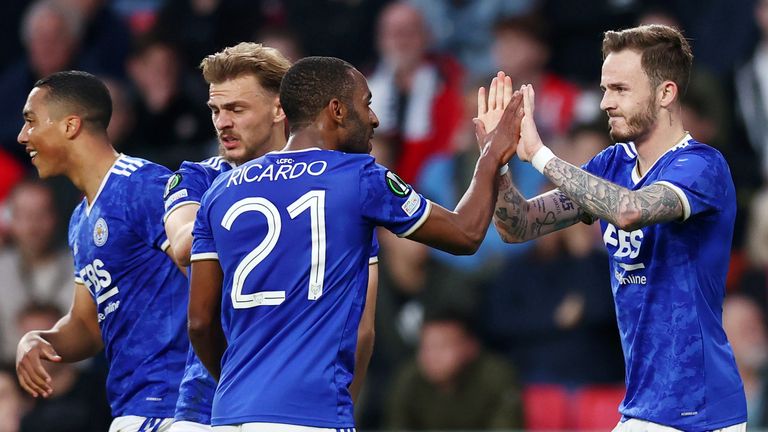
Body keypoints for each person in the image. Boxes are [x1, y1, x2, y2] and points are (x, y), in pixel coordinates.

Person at [187, 58, 522, 430]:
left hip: (230, 412)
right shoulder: (358, 177)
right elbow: (466, 233)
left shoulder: (220, 192)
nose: (375, 118)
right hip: (310, 413)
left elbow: (200, 322)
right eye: (366, 103)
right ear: (337, 110)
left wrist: (238, 384)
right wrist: (491, 154)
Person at [489, 24, 746, 431]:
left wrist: (539, 154)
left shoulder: (702, 166)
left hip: (699, 411)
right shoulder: (613, 164)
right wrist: (497, 160)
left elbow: (628, 210)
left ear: (666, 93)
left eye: (621, 89)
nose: (606, 102)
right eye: (605, 88)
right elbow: (518, 226)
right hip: (644, 408)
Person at [162, 42, 379, 431]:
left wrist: (340, 404)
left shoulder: (337, 188)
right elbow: (182, 249)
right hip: (203, 405)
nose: (222, 123)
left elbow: (363, 325)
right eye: (215, 110)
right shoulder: (198, 178)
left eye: (236, 109)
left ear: (281, 108)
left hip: (298, 404)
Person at [15, 71, 189, 431]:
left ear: (70, 125)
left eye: (31, 121)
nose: (22, 136)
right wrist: (40, 339)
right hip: (131, 403)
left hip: (177, 405)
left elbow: (207, 274)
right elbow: (86, 325)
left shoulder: (142, 185)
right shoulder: (81, 219)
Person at [385, 308, 522, 430]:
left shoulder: (496, 377)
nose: (432, 356)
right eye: (426, 347)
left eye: (442, 346)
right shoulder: (408, 379)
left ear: (470, 347)